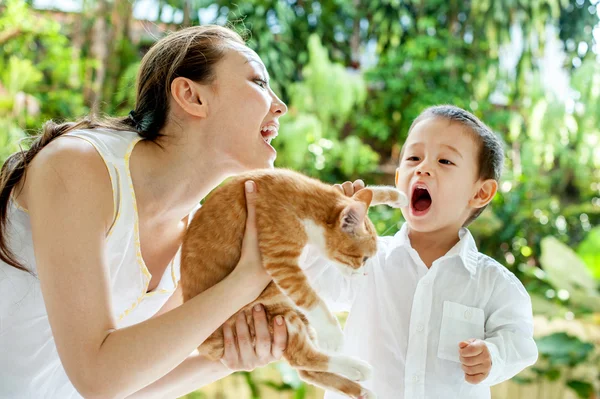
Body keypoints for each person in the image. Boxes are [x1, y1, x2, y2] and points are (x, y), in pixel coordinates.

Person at [0, 25, 289, 399]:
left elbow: (127, 386)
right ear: (191, 95)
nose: (279, 105)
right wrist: (246, 280)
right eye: (259, 82)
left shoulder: (196, 240)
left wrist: (225, 360)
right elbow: (97, 376)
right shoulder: (77, 166)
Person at [301, 105, 539, 399]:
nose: (423, 168)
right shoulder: (368, 261)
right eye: (414, 158)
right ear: (399, 177)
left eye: (445, 161)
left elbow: (521, 342)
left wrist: (494, 356)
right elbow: (311, 286)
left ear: (480, 193)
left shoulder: (493, 284)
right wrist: (325, 233)